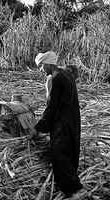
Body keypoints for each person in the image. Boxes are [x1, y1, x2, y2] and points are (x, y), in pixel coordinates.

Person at [30, 51, 88, 199]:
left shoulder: (56, 78)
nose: (41, 70)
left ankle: (75, 191)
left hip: (62, 122)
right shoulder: (67, 75)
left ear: (48, 64)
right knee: (70, 153)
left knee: (59, 156)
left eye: (41, 66)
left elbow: (52, 107)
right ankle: (72, 187)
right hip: (73, 120)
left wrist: (37, 128)